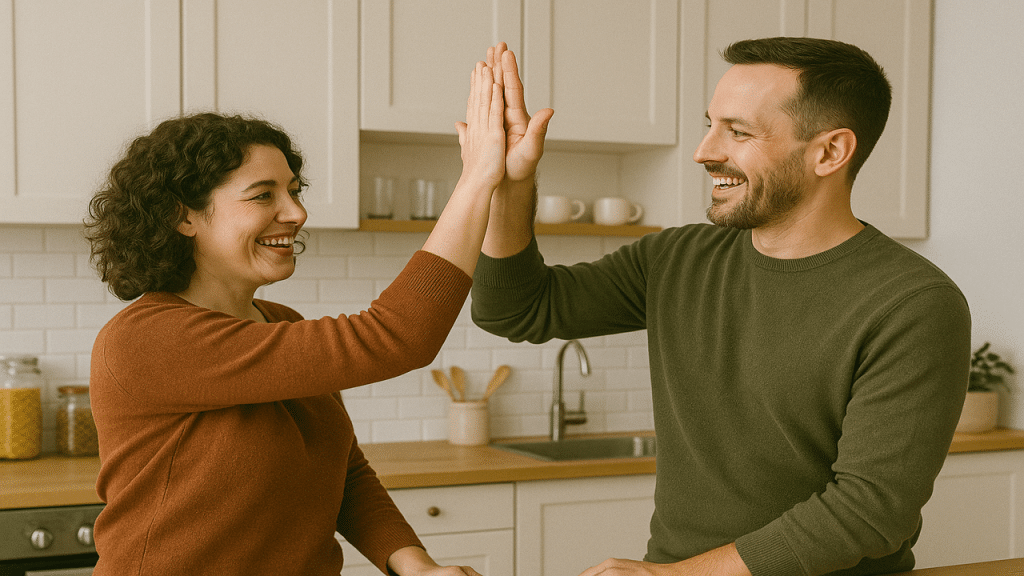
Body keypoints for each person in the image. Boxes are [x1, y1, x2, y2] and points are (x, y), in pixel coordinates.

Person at [470, 39, 971, 576]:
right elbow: (515, 309)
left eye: (738, 131)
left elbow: (869, 511)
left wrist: (675, 575)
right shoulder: (678, 258)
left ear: (829, 152)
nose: (704, 150)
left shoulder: (913, 304)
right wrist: (509, 184)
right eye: (710, 124)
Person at [83, 60, 506, 576]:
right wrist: (479, 179)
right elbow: (398, 336)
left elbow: (342, 472)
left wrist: (414, 565)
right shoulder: (146, 339)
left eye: (294, 190)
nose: (296, 212)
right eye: (264, 195)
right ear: (182, 216)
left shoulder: (279, 320)